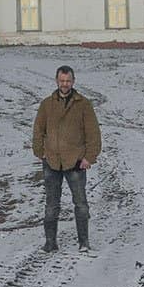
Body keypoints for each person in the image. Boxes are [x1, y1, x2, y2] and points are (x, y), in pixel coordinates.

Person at [31, 65, 102, 253]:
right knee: (51, 206)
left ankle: (84, 242)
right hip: (52, 162)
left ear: (73, 81)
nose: (65, 84)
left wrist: (89, 157)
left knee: (81, 204)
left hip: (76, 162)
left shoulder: (83, 104)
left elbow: (93, 134)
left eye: (68, 81)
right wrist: (40, 152)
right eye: (62, 81)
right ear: (56, 81)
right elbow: (38, 130)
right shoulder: (47, 104)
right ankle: (50, 243)